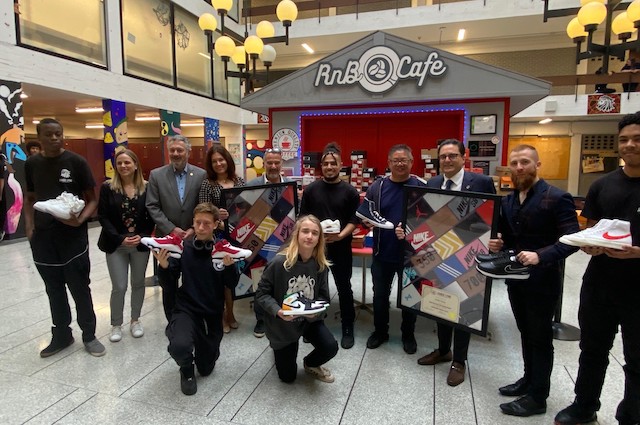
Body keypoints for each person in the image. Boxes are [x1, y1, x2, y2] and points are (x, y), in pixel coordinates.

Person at [555, 112, 640, 425]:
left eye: (637, 139)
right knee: (592, 349)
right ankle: (585, 405)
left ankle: (631, 416)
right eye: (624, 140)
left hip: (638, 290)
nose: (629, 145)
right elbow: (591, 229)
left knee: (637, 359)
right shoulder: (602, 185)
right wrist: (587, 244)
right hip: (600, 283)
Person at [487, 144, 579, 417]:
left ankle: (538, 397)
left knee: (539, 338)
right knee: (526, 333)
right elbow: (508, 236)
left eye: (525, 162)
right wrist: (499, 242)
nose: (519, 168)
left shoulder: (557, 197)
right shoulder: (508, 200)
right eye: (514, 163)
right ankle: (528, 380)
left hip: (544, 280)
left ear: (538, 165)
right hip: (516, 278)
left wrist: (541, 255)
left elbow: (572, 240)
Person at [416, 139, 495, 386]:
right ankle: (442, 350)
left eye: (452, 156)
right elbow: (426, 219)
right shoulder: (433, 183)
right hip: (439, 253)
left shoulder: (481, 182)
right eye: (443, 157)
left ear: (463, 157)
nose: (447, 161)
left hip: (468, 254)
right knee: (441, 304)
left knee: (464, 307)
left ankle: (459, 360)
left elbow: (492, 216)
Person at [23, 118, 105, 357]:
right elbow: (30, 198)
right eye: (49, 135)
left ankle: (89, 335)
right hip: (43, 238)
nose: (55, 138)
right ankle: (61, 335)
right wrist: (29, 227)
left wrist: (80, 221)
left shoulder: (76, 162)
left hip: (72, 238)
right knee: (53, 288)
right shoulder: (32, 164)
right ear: (39, 136)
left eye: (58, 134)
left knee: (80, 287)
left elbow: (92, 199)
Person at [153, 202, 234, 395]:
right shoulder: (183, 249)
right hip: (186, 308)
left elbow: (231, 284)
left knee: (206, 369)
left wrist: (229, 267)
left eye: (207, 223)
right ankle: (186, 370)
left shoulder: (222, 250)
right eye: (198, 222)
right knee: (179, 346)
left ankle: (205, 351)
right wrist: (163, 267)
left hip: (212, 312)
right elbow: (170, 281)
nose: (201, 227)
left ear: (216, 224)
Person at [255, 214, 339, 383]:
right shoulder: (279, 263)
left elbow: (324, 297)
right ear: (297, 234)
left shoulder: (320, 265)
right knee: (288, 378)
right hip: (283, 324)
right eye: (305, 231)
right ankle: (279, 347)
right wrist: (278, 311)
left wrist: (315, 313)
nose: (309, 236)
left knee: (330, 347)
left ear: (319, 239)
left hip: (309, 321)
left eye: (315, 233)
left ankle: (310, 363)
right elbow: (261, 294)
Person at [365, 144, 426, 354]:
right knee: (380, 296)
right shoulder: (377, 187)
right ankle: (380, 332)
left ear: (411, 162)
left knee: (411, 297)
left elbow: (431, 221)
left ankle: (408, 334)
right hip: (383, 253)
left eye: (404, 160)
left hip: (412, 256)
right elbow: (367, 213)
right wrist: (366, 221)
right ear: (389, 163)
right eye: (395, 160)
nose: (400, 164)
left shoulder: (421, 187)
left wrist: (412, 231)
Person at [299, 142, 360, 349]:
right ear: (321, 166)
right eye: (325, 164)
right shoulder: (312, 190)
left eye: (333, 163)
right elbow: (303, 217)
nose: (329, 167)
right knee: (313, 288)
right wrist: (313, 236)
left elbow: (355, 219)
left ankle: (347, 327)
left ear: (340, 165)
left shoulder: (350, 192)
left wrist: (341, 235)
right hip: (315, 249)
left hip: (341, 248)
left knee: (344, 287)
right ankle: (312, 326)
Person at [146, 135, 206, 323]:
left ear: (188, 152)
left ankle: (192, 317)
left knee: (193, 281)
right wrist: (171, 229)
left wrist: (193, 229)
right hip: (167, 240)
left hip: (192, 238)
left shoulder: (200, 174)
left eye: (180, 150)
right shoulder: (156, 175)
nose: (176, 154)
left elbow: (203, 206)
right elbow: (152, 205)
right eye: (172, 150)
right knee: (168, 282)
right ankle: (172, 321)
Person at [97, 149, 155, 343]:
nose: (123, 166)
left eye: (127, 162)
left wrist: (143, 236)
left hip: (139, 244)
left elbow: (151, 215)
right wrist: (120, 238)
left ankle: (135, 320)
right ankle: (116, 324)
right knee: (119, 286)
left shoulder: (146, 187)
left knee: (138, 284)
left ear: (136, 165)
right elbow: (103, 216)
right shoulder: (108, 187)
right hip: (116, 244)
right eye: (119, 163)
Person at [198, 144, 245, 334]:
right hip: (216, 237)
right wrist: (217, 215)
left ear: (228, 160)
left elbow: (247, 206)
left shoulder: (239, 181)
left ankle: (231, 314)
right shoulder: (207, 183)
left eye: (221, 159)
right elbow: (201, 210)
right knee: (217, 278)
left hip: (237, 235)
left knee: (231, 277)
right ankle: (220, 315)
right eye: (214, 161)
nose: (218, 164)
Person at [246, 147, 290, 338]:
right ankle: (261, 319)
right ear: (264, 164)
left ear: (282, 164)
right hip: (259, 241)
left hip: (283, 241)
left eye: (276, 162)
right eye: (269, 162)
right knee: (259, 281)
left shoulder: (290, 186)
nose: (273, 166)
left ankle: (282, 314)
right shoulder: (252, 185)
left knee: (282, 279)